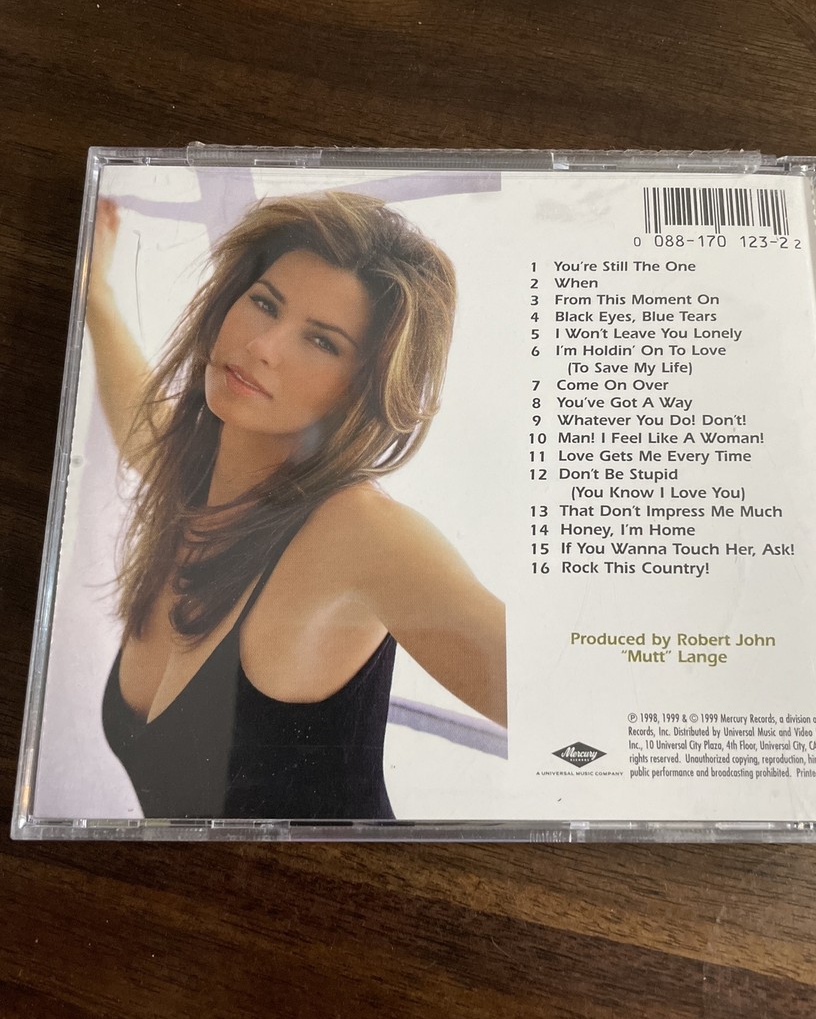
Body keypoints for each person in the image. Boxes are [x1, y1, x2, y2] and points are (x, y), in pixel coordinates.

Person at [86, 191, 506, 821]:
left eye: (321, 341)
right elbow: (141, 424)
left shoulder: (361, 532)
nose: (263, 345)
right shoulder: (199, 484)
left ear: (364, 386)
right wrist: (96, 297)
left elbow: (564, 697)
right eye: (264, 302)